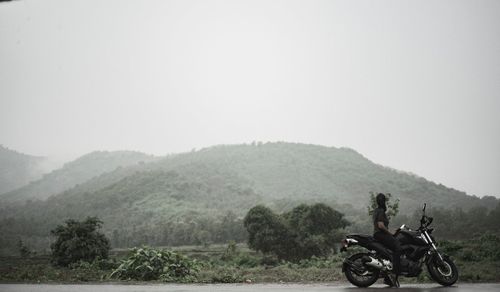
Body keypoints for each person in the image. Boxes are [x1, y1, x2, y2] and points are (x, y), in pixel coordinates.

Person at [373, 193, 401, 287]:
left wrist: (392, 231)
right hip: (380, 234)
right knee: (397, 247)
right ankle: (393, 274)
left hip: (378, 234)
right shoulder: (381, 211)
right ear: (384, 201)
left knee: (392, 248)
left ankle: (389, 270)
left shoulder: (377, 210)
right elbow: (380, 225)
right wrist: (391, 233)